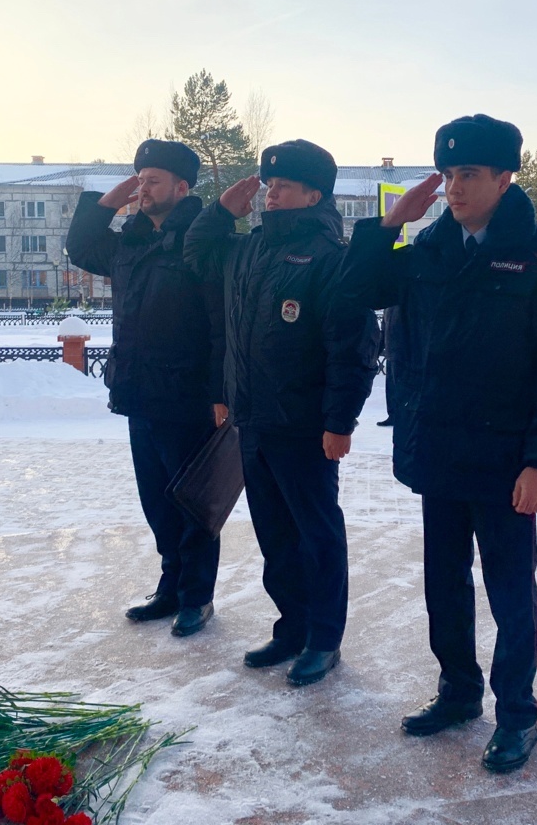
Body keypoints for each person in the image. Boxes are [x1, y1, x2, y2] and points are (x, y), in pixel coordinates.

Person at [337, 114, 537, 772]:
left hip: (507, 461)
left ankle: (517, 716)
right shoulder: (428, 249)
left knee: (510, 592)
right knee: (444, 584)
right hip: (438, 451)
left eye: (469, 174)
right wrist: (389, 225)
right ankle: (457, 692)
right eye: (448, 174)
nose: (454, 187)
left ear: (505, 178)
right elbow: (354, 290)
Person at [184, 139, 379, 687]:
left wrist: (339, 422)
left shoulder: (329, 258)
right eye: (269, 186)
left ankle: (324, 638)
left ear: (314, 195)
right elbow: (197, 256)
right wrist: (221, 210)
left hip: (304, 426)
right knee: (274, 535)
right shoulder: (249, 249)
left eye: (283, 186)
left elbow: (354, 347)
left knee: (316, 534)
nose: (271, 195)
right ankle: (292, 627)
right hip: (254, 420)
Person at [67, 139, 225, 638]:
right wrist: (111, 200)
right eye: (140, 179)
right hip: (138, 392)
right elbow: (80, 247)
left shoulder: (201, 240)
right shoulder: (129, 242)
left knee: (192, 501)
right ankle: (170, 587)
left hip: (187, 395)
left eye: (153, 180)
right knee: (156, 500)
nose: (143, 188)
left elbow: (220, 323)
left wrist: (220, 393)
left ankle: (197, 597)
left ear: (182, 188)